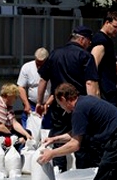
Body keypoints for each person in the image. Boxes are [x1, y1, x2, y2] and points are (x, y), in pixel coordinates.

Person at [36, 25, 100, 171]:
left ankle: (59, 171)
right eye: (89, 42)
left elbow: (43, 81)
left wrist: (40, 102)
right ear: (82, 39)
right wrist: (93, 106)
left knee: (58, 136)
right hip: (79, 105)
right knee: (80, 139)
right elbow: (90, 83)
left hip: (59, 105)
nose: (89, 45)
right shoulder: (85, 56)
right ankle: (83, 172)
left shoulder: (54, 54)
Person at [90, 10, 117, 106]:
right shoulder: (101, 41)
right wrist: (96, 92)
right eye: (115, 27)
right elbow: (93, 66)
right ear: (107, 23)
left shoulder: (106, 41)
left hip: (109, 90)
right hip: (104, 92)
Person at [17, 47, 52, 128]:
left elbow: (56, 90)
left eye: (41, 64)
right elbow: (21, 87)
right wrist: (26, 104)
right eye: (37, 63)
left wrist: (47, 104)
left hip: (48, 105)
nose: (39, 66)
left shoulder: (52, 68)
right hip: (31, 104)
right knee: (28, 129)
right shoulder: (27, 67)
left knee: (45, 131)